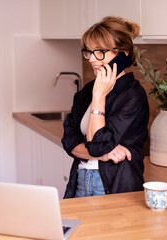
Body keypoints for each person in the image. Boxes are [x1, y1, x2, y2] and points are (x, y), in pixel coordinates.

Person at [62, 16, 149, 198]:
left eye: (100, 52)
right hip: (80, 178)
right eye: (89, 52)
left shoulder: (133, 95)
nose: (92, 59)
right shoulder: (87, 91)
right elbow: (69, 142)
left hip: (111, 184)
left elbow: (98, 146)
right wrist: (101, 155)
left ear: (122, 55)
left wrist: (100, 95)